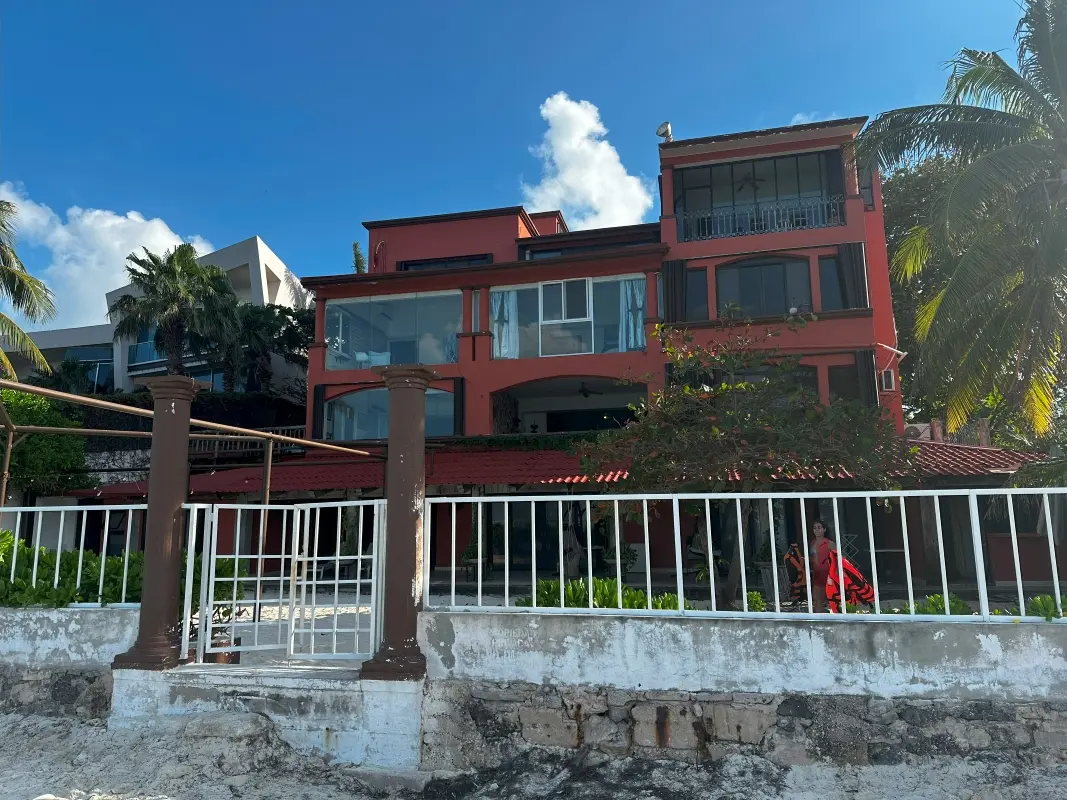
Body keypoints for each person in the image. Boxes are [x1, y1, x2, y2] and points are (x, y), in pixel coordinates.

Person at [808, 519, 836, 612]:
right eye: (815, 528)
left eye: (819, 528)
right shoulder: (812, 543)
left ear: (824, 529)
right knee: (816, 599)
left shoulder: (829, 543)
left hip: (827, 573)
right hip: (816, 573)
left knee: (830, 598)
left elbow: (837, 559)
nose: (817, 530)